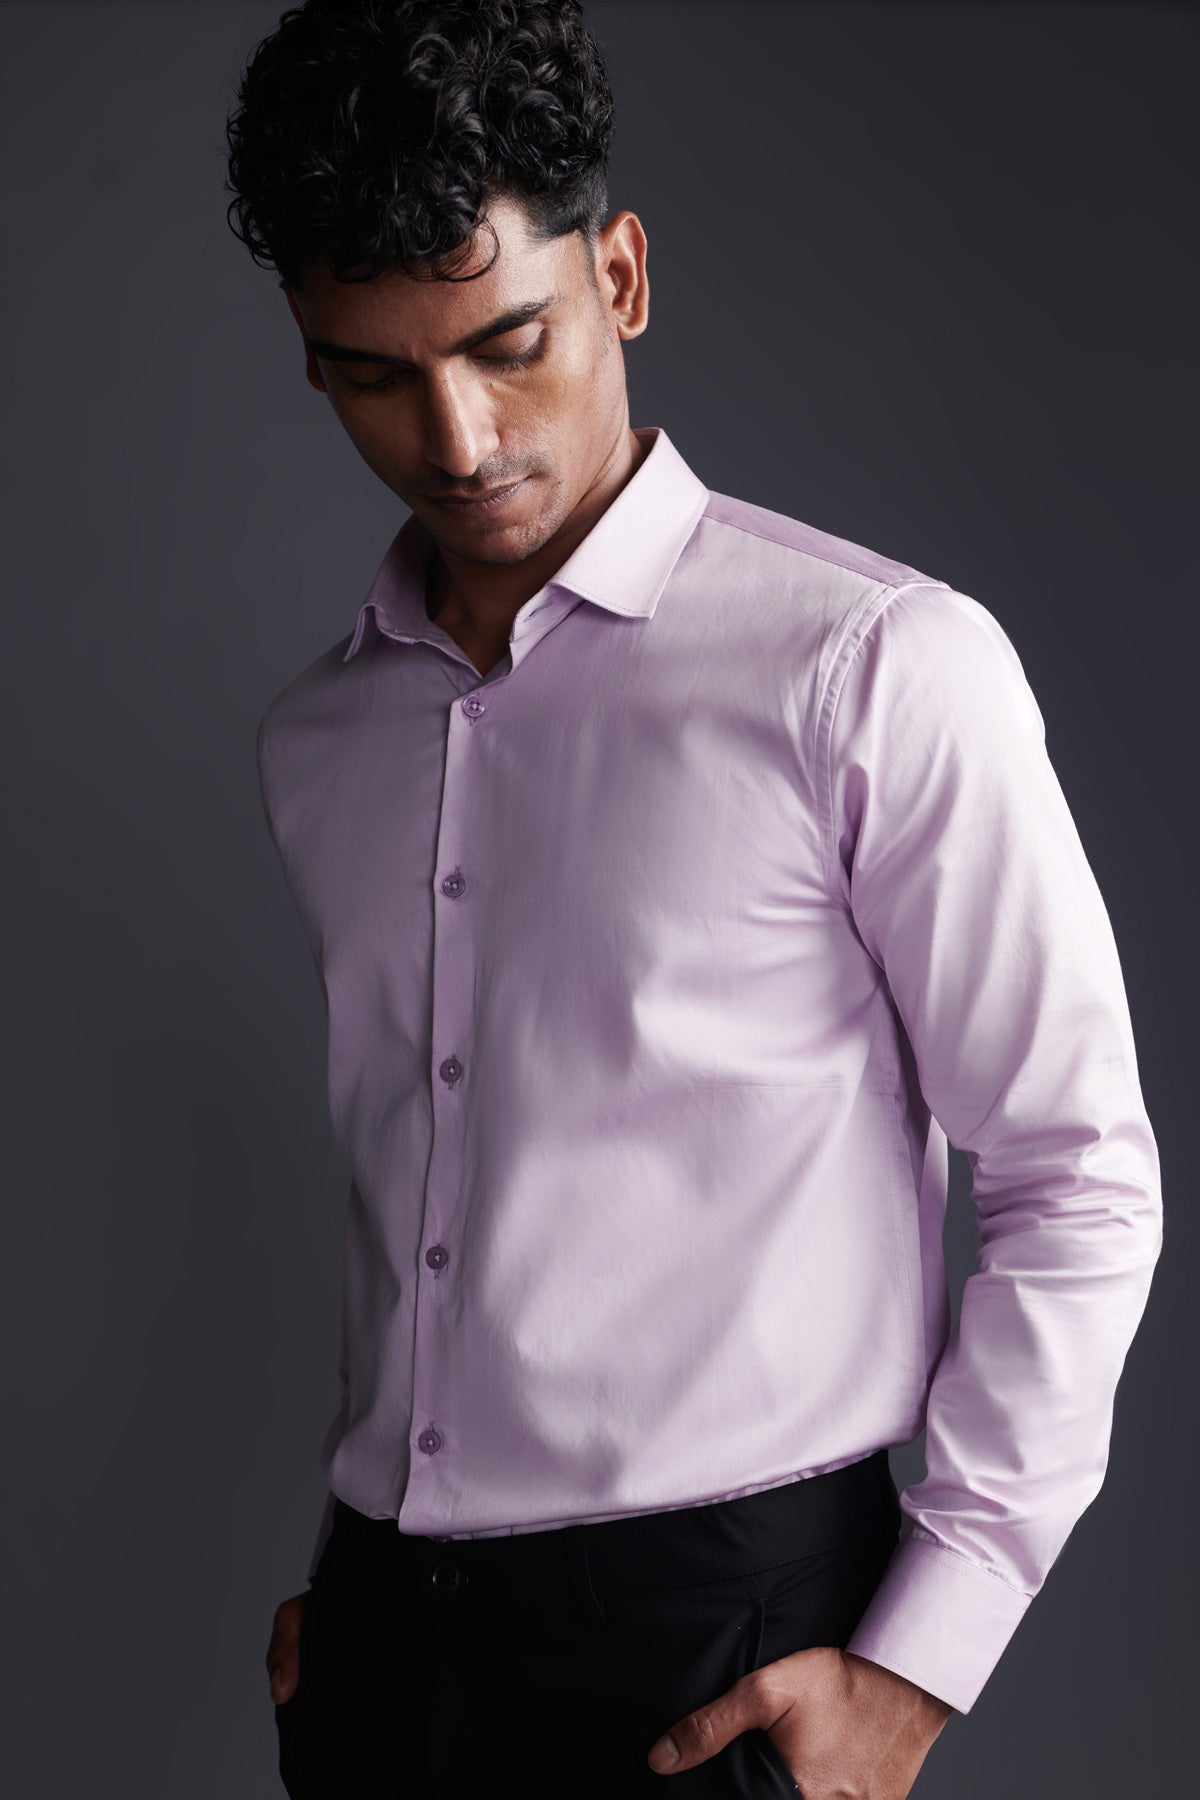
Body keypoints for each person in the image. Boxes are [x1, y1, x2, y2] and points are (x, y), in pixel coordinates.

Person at [223, 3, 1163, 1796]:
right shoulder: (319, 739)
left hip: (717, 1647)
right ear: (309, 355)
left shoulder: (872, 668)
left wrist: (917, 1667)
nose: (458, 436)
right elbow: (427, 1195)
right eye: (374, 375)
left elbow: (1078, 1177)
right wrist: (360, 1590)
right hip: (381, 1642)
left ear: (621, 277)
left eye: (510, 343)